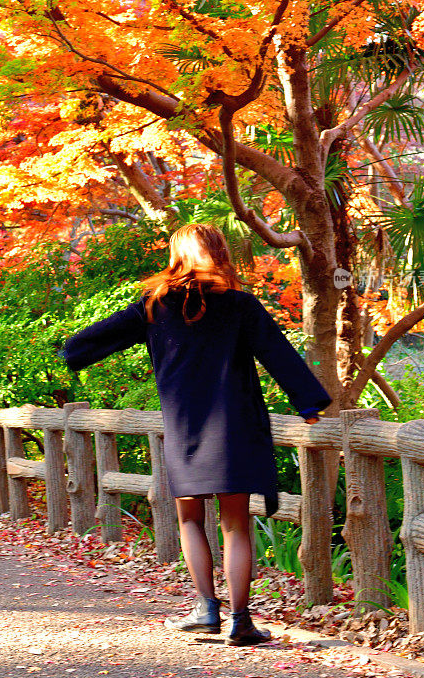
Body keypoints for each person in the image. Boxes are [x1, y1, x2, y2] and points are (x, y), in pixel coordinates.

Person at [63, 223, 331, 646]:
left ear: (178, 255)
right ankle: (240, 623)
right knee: (236, 525)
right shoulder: (241, 305)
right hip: (236, 425)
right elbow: (280, 355)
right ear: (220, 254)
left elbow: (94, 340)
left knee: (189, 518)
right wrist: (309, 405)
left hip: (186, 427)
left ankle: (206, 611)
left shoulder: (154, 306)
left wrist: (71, 353)